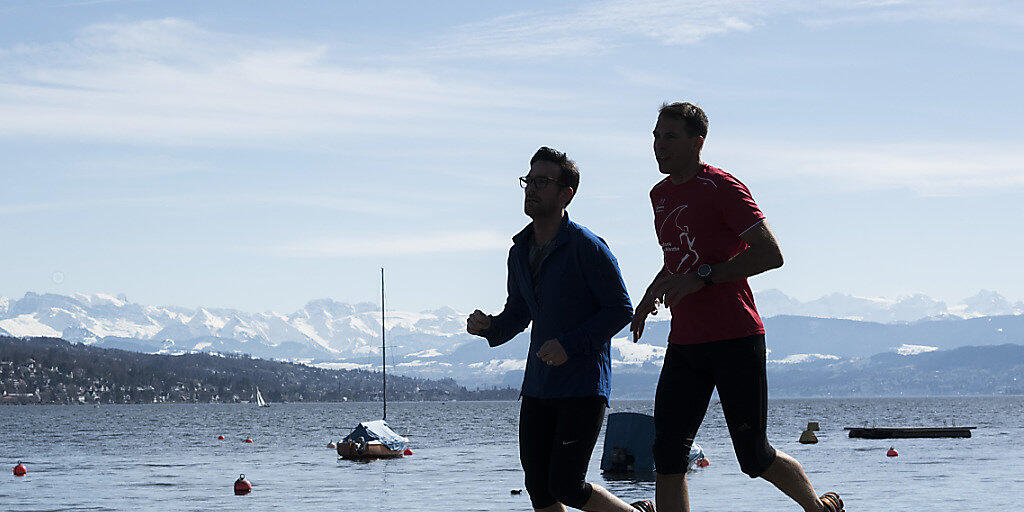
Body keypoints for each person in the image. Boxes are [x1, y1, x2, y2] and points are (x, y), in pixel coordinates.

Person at [630, 102, 844, 512]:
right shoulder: (660, 195)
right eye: (656, 136)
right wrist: (648, 295)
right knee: (668, 454)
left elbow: (771, 253)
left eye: (670, 137)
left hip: (735, 338)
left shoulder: (722, 187)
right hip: (686, 343)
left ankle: (818, 508)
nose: (659, 146)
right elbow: (677, 259)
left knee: (753, 456)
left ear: (698, 142)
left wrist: (703, 276)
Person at [467, 147, 655, 512]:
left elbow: (620, 310)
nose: (530, 189)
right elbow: (519, 314)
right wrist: (490, 327)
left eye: (542, 182)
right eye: (528, 180)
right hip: (538, 386)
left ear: (566, 193)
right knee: (539, 488)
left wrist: (569, 345)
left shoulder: (587, 247)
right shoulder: (519, 250)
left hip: (582, 387)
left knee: (567, 486)